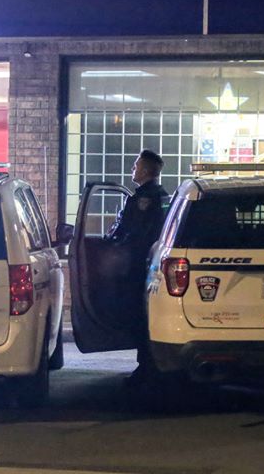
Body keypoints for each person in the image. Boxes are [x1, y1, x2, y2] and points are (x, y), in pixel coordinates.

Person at [107, 149, 168, 383]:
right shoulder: (163, 195)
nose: (133, 169)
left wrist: (113, 242)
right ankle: (150, 364)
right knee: (149, 315)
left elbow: (130, 232)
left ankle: (145, 368)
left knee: (140, 317)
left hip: (138, 265)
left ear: (144, 171)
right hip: (153, 264)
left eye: (136, 166)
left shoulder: (143, 199)